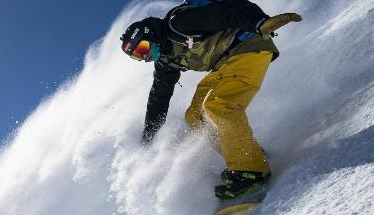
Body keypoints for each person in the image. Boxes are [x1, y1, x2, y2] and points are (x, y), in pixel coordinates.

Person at [120, 0, 302, 199]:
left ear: (151, 34)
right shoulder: (167, 61)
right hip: (226, 64)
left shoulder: (179, 24)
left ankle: (252, 170)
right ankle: (247, 154)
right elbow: (158, 96)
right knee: (194, 116)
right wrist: (149, 135)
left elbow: (227, 11)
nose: (146, 56)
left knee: (219, 106)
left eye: (144, 48)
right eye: (139, 56)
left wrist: (259, 23)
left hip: (248, 47)